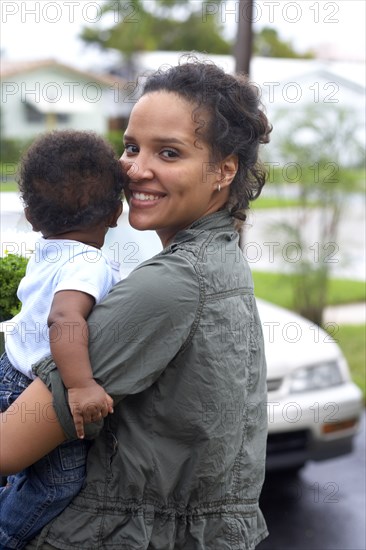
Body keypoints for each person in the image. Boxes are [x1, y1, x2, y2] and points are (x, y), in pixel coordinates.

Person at [0, 59, 272, 549]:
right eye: (130, 147)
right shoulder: (220, 260)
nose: (134, 169)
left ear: (223, 170)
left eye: (168, 152)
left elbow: (7, 448)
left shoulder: (170, 284)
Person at [0, 130, 125, 549]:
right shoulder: (89, 263)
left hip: (9, 369)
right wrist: (82, 384)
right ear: (116, 212)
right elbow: (64, 318)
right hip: (36, 384)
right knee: (56, 484)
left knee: (25, 467)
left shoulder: (47, 250)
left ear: (33, 217)